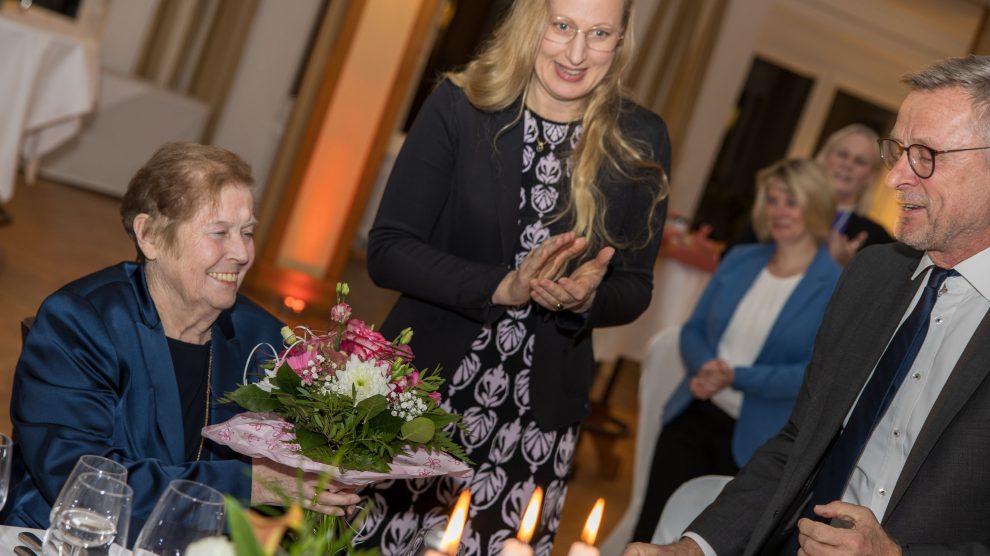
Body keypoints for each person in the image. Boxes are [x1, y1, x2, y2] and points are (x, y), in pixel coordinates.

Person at [623, 54, 990, 555]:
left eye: (925, 155)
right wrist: (690, 549)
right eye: (898, 151)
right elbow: (798, 444)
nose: (894, 178)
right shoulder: (874, 275)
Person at [361, 0, 670, 553]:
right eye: (562, 26)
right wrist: (499, 287)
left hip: (535, 420)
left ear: (622, 40)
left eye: (600, 33)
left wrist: (584, 300)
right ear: (532, 21)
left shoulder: (639, 138)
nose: (577, 53)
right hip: (421, 394)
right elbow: (389, 250)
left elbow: (635, 287)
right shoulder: (463, 105)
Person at [2, 143, 360, 537]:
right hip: (69, 540)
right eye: (219, 233)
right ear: (150, 235)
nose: (241, 253)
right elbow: (85, 487)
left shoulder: (267, 341)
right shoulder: (81, 323)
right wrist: (259, 482)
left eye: (247, 232)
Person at [630, 159, 841, 543]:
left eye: (790, 201)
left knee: (713, 544)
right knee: (653, 534)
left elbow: (812, 372)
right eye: (772, 200)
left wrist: (736, 376)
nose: (778, 211)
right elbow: (692, 329)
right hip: (693, 416)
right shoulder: (741, 259)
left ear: (816, 206)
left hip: (759, 442)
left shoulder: (835, 284)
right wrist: (706, 366)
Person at [816, 123, 893, 265]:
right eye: (842, 154)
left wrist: (846, 268)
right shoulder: (782, 208)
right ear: (824, 158)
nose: (848, 164)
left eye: (860, 161)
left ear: (871, 177)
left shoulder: (878, 242)